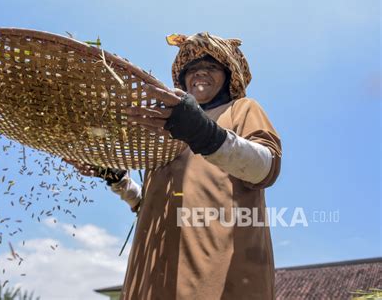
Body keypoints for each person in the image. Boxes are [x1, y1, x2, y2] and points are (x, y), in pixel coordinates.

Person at [65, 32, 282, 299]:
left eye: (211, 67)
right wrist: (117, 178)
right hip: (152, 278)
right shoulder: (164, 132)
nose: (199, 73)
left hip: (219, 276)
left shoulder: (242, 109)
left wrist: (204, 133)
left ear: (229, 77)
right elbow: (148, 205)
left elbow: (266, 167)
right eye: (191, 69)